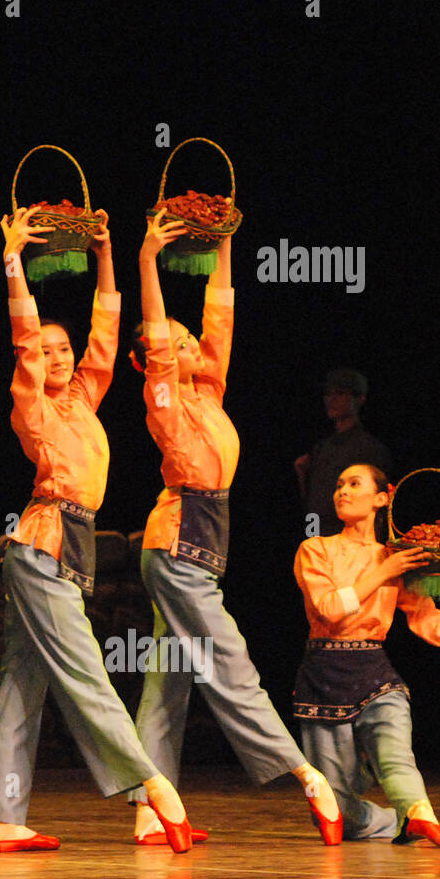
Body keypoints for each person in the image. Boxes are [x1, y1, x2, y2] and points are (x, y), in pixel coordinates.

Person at [0, 206, 197, 853]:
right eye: (44, 351)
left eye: (62, 349)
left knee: (25, 679)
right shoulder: (33, 401)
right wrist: (13, 262)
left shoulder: (80, 397)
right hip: (42, 544)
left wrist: (108, 254)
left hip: (66, 545)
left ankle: (4, 816)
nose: (55, 356)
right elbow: (24, 336)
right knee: (85, 673)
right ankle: (153, 788)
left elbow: (106, 331)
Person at [129, 212, 343, 844]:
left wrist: (223, 244)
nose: (190, 343)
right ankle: (304, 774)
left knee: (169, 681)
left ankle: (149, 806)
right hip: (176, 543)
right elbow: (162, 344)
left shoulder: (210, 393)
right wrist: (147, 260)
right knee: (230, 659)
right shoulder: (163, 398)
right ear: (153, 363)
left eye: (188, 339)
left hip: (201, 543)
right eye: (175, 344)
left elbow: (220, 314)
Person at [293, 464, 440, 846]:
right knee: (337, 809)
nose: (342, 492)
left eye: (354, 484)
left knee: (395, 755)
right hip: (324, 675)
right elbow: (330, 609)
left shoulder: (394, 558)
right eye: (338, 486)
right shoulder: (316, 549)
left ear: (382, 498)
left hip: (375, 673)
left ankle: (419, 811)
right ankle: (391, 818)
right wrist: (384, 571)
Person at [294, 369, 393, 535]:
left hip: (351, 535)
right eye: (328, 394)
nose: (331, 400)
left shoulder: (370, 448)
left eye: (339, 394)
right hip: (319, 532)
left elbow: (379, 502)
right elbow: (313, 500)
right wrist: (302, 474)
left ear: (359, 399)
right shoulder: (321, 447)